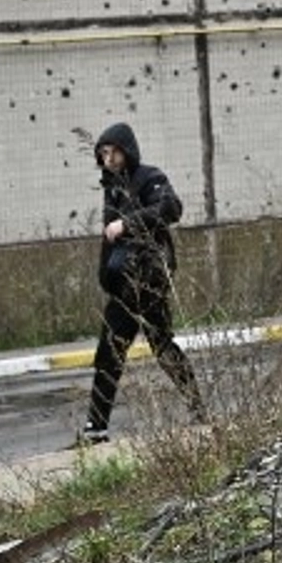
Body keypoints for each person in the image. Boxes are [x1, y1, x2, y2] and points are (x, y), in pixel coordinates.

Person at [79, 122, 203, 440]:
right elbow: (110, 241)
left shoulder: (149, 178)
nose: (108, 159)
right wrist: (105, 275)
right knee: (108, 353)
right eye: (103, 153)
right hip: (121, 285)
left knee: (162, 346)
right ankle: (95, 429)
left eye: (113, 152)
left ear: (126, 150)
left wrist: (128, 223)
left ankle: (198, 411)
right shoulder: (111, 188)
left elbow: (171, 208)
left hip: (148, 282)